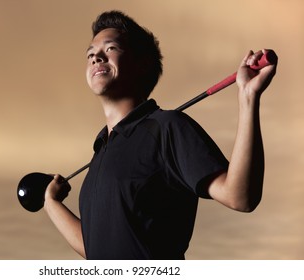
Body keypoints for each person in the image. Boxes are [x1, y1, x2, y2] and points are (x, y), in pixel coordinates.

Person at [43, 10, 277, 259]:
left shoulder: (167, 127)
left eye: (110, 49)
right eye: (90, 53)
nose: (96, 57)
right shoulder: (101, 150)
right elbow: (96, 247)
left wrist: (248, 96)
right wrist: (51, 203)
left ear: (142, 63)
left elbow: (240, 196)